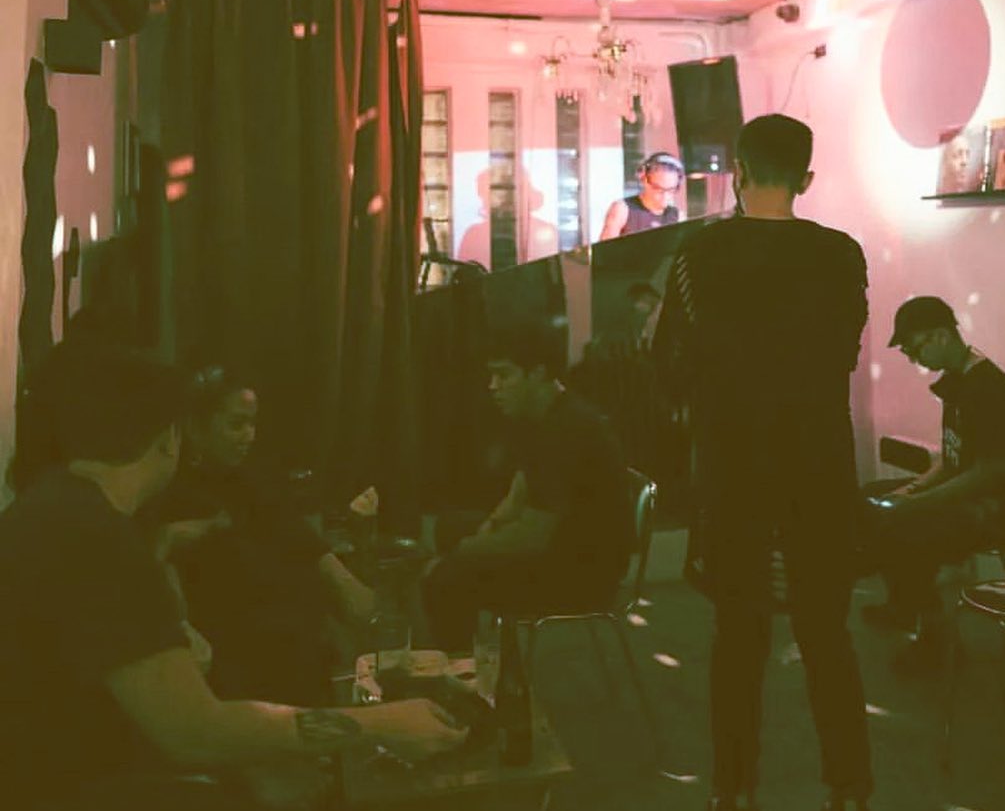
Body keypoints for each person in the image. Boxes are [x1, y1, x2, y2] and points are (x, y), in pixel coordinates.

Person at [0, 340, 465, 811]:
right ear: (168, 438)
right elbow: (195, 731)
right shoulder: (96, 538)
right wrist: (383, 724)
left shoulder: (57, 505)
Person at [654, 114, 871, 811]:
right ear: (806, 178)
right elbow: (844, 353)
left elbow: (669, 365)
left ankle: (734, 789)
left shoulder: (699, 253)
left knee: (739, 636)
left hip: (733, 465)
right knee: (827, 633)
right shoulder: (842, 254)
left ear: (738, 173)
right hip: (819, 464)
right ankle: (850, 788)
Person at [148, 368, 377, 705]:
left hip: (290, 637)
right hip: (229, 645)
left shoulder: (251, 477)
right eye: (236, 424)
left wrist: (342, 580)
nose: (249, 436)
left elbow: (296, 534)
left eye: (252, 424)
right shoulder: (168, 490)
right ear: (195, 428)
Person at [421, 317, 632, 652]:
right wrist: (487, 529)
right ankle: (474, 660)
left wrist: (460, 554)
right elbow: (519, 492)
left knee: (447, 579)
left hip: (584, 571)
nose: (492, 386)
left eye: (504, 375)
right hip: (562, 543)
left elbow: (533, 536)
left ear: (538, 373)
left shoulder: (567, 429)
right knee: (450, 528)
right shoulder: (541, 415)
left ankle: (459, 672)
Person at [862, 296, 1005, 662]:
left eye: (915, 349)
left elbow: (990, 472)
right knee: (874, 497)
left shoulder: (988, 389)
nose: (914, 360)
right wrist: (911, 489)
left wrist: (919, 502)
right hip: (973, 494)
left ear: (941, 336)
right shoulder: (956, 381)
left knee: (908, 525)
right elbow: (951, 459)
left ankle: (933, 638)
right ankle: (904, 606)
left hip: (999, 509)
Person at [599, 152, 684, 240]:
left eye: (671, 190)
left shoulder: (677, 216)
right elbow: (604, 248)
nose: (665, 196)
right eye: (658, 189)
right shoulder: (622, 209)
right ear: (644, 180)